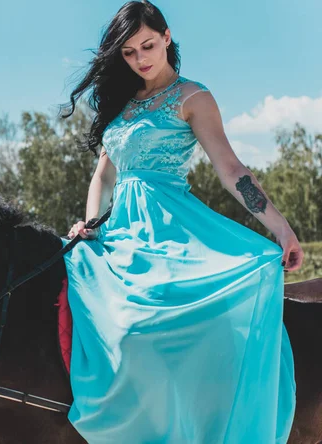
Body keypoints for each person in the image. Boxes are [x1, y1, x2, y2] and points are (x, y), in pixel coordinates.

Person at [58, 1, 303, 443]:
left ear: (167, 37)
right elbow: (104, 176)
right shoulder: (120, 103)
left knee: (146, 327)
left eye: (147, 45)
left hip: (171, 227)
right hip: (118, 229)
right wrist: (90, 223)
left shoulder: (193, 97)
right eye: (129, 52)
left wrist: (281, 229)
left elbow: (232, 171)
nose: (140, 59)